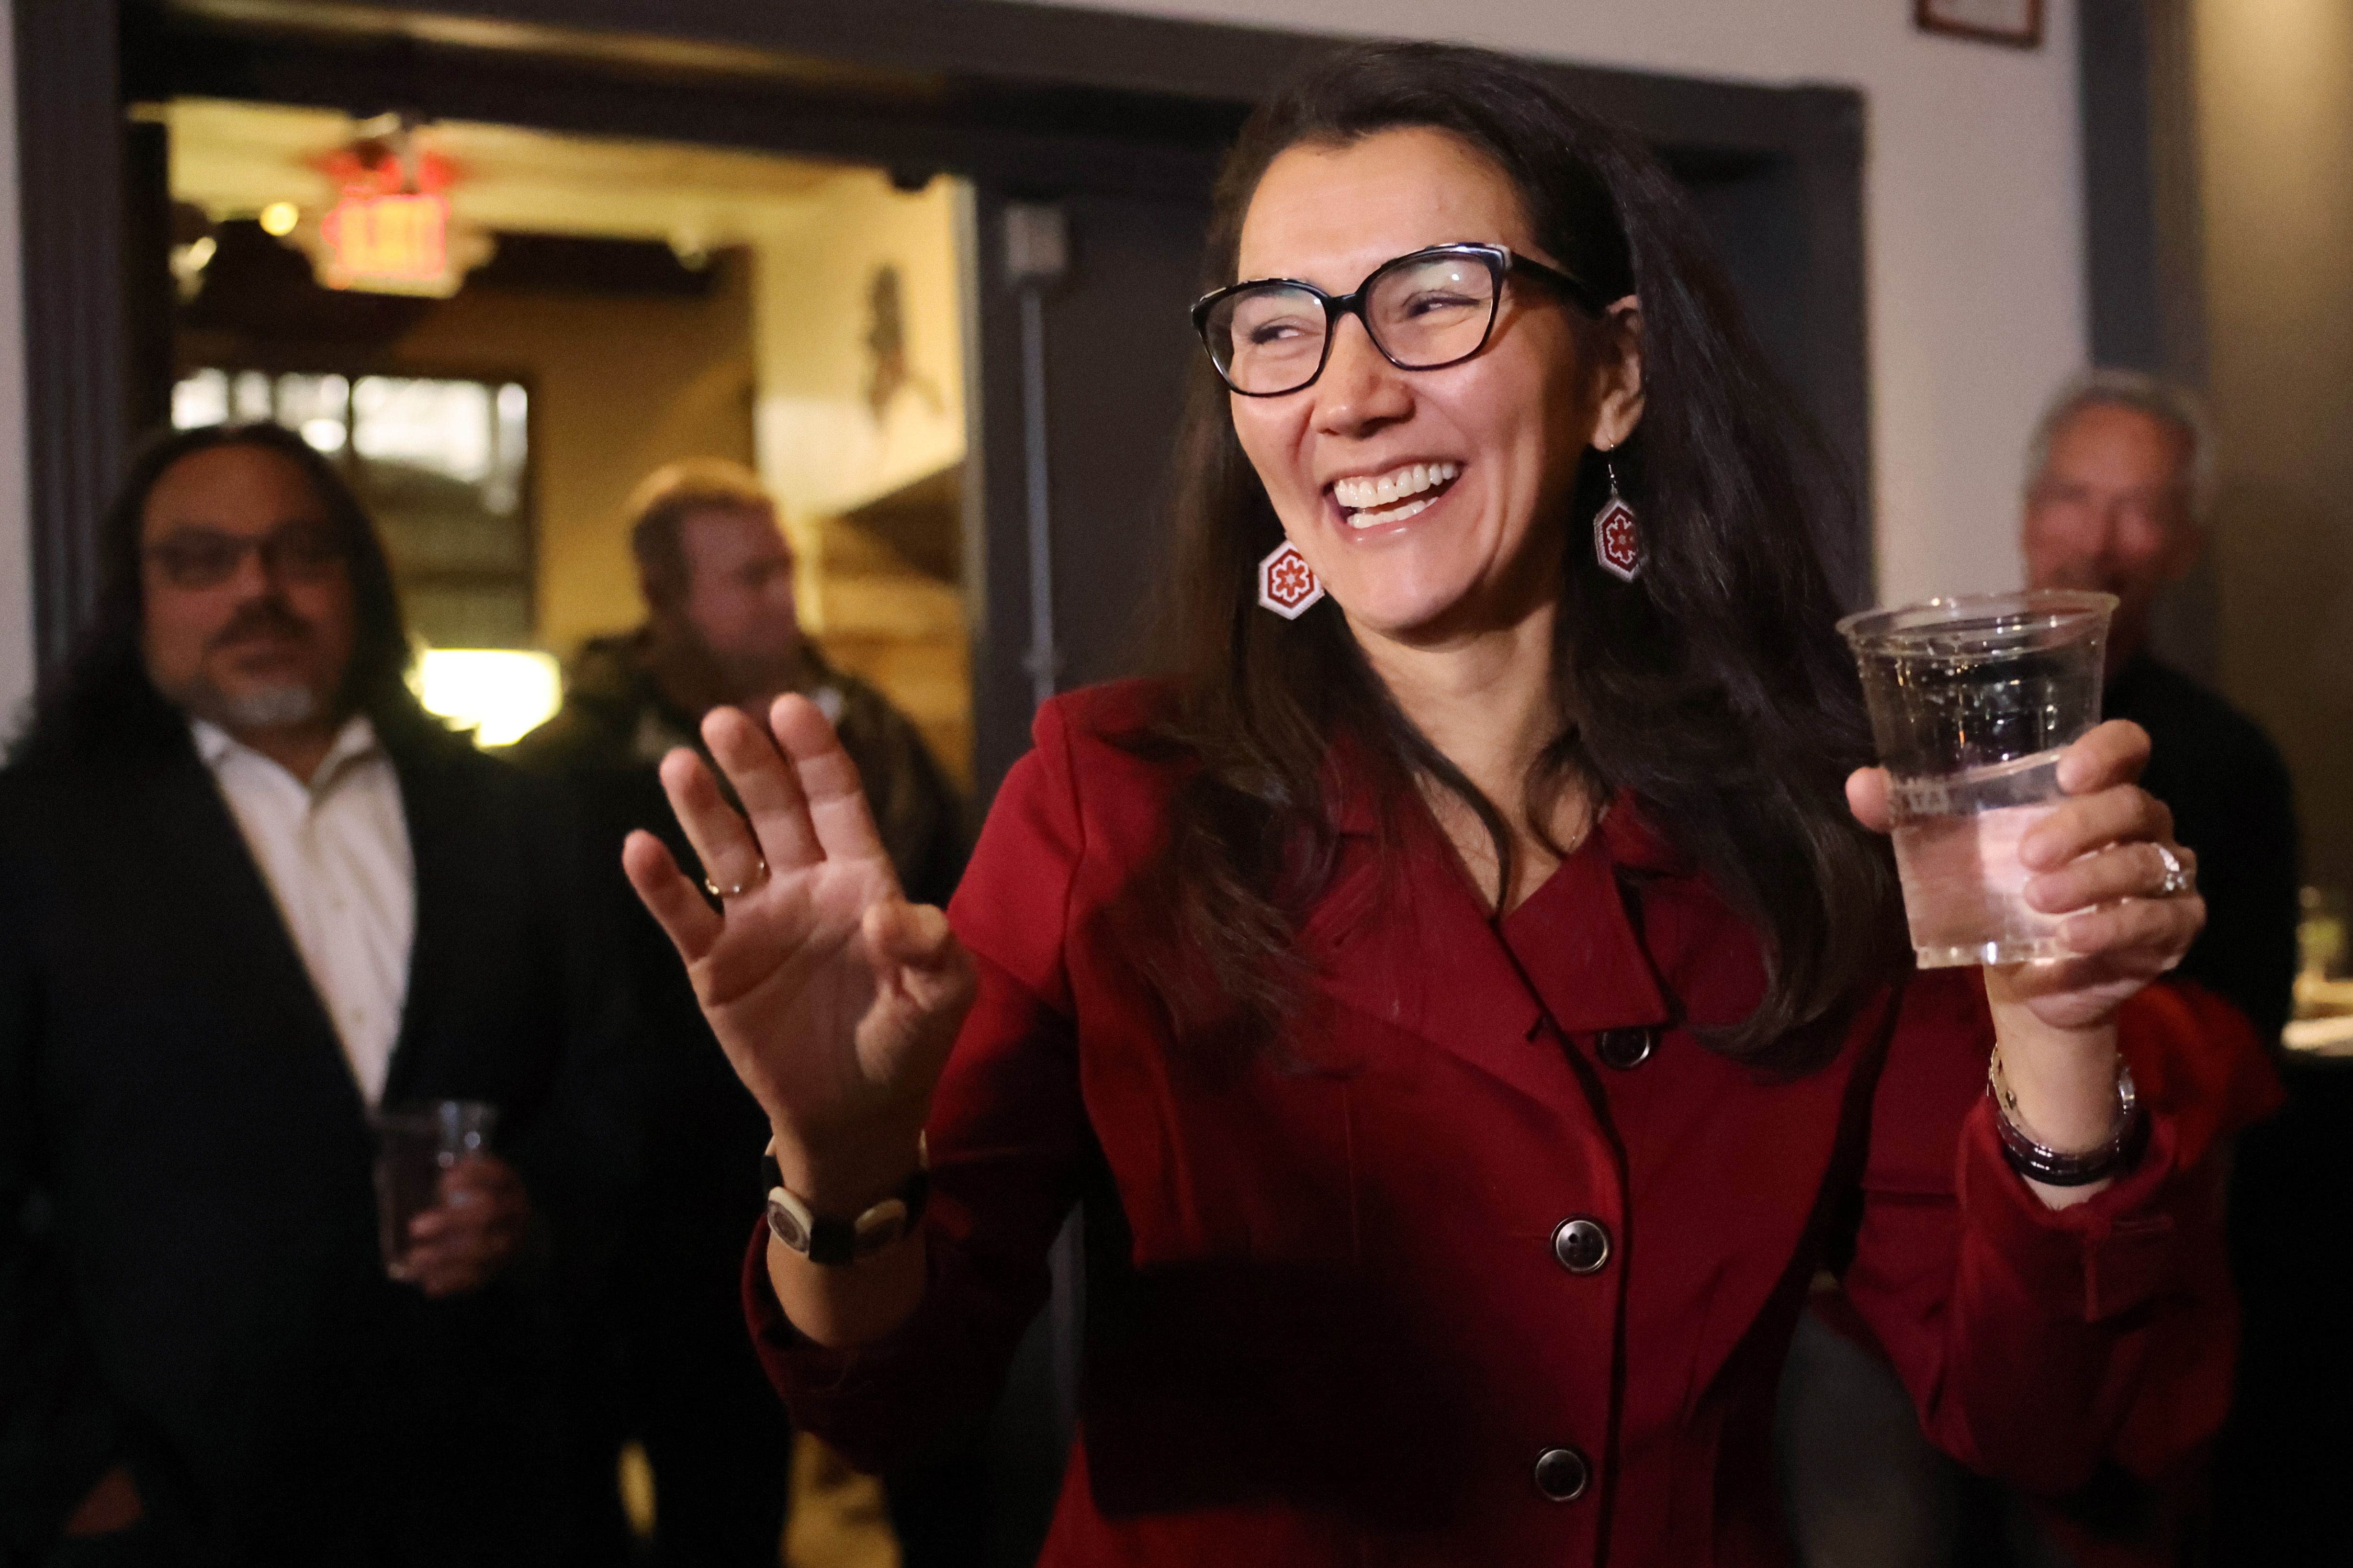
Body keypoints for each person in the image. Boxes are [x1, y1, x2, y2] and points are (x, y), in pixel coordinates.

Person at [625, 45, 2228, 1567]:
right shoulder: (1109, 804)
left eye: (1434, 302)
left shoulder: (1814, 830)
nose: (1349, 390)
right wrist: (837, 1159)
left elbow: (2032, 1417)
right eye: (1276, 325)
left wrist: (2056, 1028)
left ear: (1612, 372)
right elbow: (894, 1395)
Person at [0, 423, 632, 1566]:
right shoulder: (36, 841)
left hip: (500, 1497)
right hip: (179, 1517)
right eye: (201, 560)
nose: (257, 590)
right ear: (132, 599)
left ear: (360, 582)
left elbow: (621, 1111)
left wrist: (533, 1218)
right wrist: (78, 1477)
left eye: (300, 553)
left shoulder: (523, 825)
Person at [1780, 370, 2296, 1567]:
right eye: (2072, 495)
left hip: (2113, 1270)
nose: (2098, 538)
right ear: (2025, 509)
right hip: (1875, 1293)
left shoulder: (2226, 759)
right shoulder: (1897, 730)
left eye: (2140, 509)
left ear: (2185, 541)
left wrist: (2096, 1005)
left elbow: (2248, 1042)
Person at [511, 458, 967, 1567]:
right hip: (663, 1222)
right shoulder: (560, 777)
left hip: (876, 1170)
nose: (782, 600)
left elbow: (957, 912)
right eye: (748, 578)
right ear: (662, 599)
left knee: (943, 1482)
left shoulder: (875, 739)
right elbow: (544, 1015)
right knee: (710, 1511)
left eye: (784, 572)